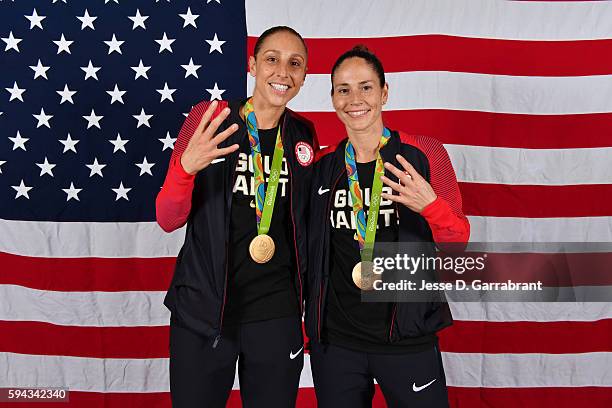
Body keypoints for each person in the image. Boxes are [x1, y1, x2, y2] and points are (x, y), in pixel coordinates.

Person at [156, 26, 318, 408]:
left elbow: (304, 224)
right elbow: (167, 217)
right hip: (204, 311)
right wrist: (186, 168)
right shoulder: (210, 119)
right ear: (252, 65)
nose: (282, 72)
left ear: (304, 76)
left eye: (294, 64)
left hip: (277, 314)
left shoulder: (303, 134)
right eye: (271, 59)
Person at [305, 45, 470, 407]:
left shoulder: (424, 153)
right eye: (343, 89)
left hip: (406, 336)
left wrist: (430, 206)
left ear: (384, 92)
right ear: (332, 98)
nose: (354, 99)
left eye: (365, 87)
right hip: (337, 342)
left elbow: (457, 240)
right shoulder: (324, 168)